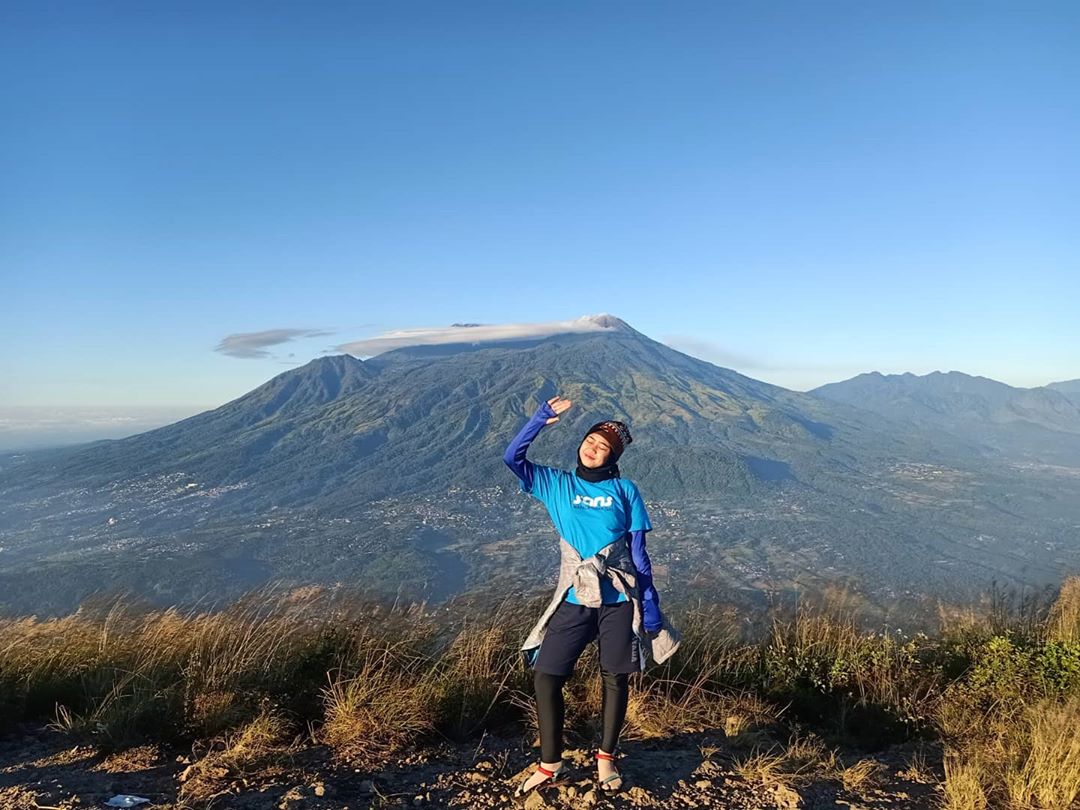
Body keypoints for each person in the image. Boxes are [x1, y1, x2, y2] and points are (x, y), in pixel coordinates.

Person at [503, 394, 680, 797]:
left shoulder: (625, 490)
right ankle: (551, 761)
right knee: (547, 676)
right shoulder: (556, 484)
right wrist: (540, 419)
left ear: (613, 455)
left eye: (604, 446)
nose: (593, 448)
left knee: (615, 679)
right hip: (576, 598)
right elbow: (513, 458)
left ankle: (606, 758)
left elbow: (639, 555)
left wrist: (649, 608)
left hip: (618, 600)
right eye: (590, 440)